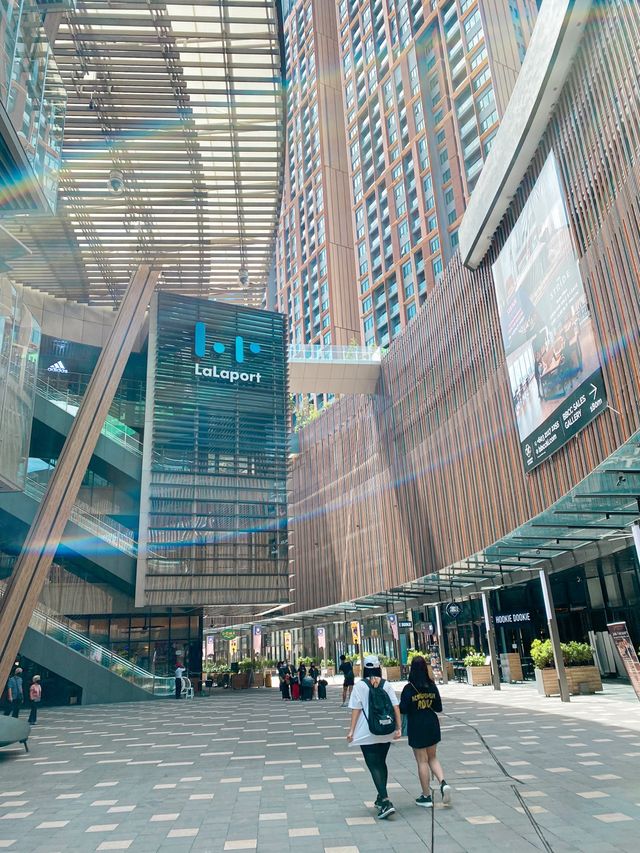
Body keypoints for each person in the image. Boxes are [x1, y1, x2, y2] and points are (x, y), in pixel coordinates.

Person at [347, 654, 401, 819]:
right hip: (386, 731)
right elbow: (395, 706)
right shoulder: (386, 685)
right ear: (378, 667)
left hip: (366, 732)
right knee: (381, 762)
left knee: (373, 765)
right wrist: (398, 727)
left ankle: (385, 801)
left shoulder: (360, 686)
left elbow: (356, 709)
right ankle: (380, 797)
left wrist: (351, 731)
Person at [399, 655, 451, 808]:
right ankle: (443, 782)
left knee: (422, 760)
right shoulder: (431, 685)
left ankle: (426, 795)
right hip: (432, 723)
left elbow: (403, 708)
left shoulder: (409, 688)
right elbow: (438, 708)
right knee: (433, 757)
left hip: (417, 725)